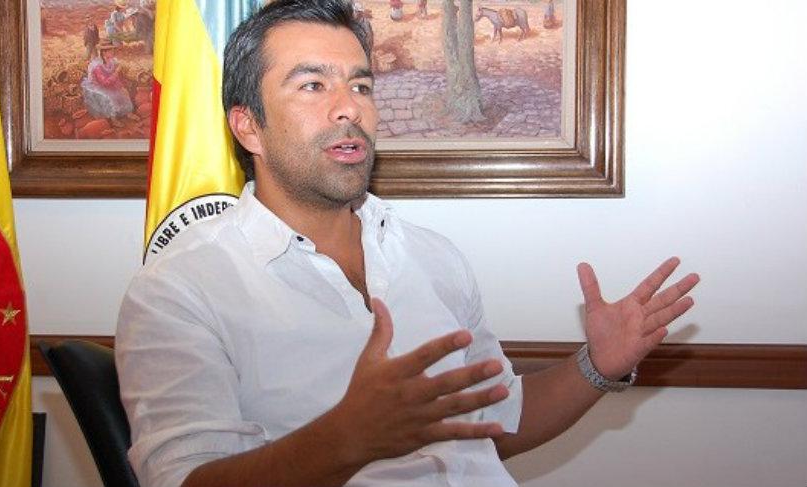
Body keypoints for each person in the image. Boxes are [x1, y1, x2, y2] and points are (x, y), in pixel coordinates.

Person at [115, 1, 700, 487]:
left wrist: (598, 365)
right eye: (313, 85)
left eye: (360, 85)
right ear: (248, 126)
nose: (350, 107)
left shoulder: (431, 256)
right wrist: (345, 439)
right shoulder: (179, 290)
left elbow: (494, 425)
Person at [81, 40, 134, 122]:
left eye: (113, 50)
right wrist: (116, 72)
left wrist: (120, 86)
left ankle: (128, 113)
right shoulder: (97, 66)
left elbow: (115, 78)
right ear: (104, 52)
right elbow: (104, 83)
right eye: (110, 50)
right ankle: (113, 119)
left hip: (110, 83)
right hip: (99, 86)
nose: (113, 52)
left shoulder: (112, 61)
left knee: (123, 92)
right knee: (111, 97)